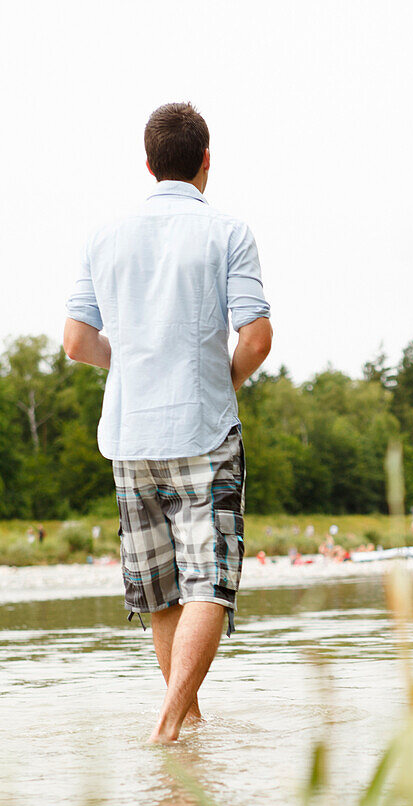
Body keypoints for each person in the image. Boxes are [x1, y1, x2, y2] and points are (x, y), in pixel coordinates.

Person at [63, 102, 272, 744]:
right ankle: (168, 726)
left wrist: (125, 366)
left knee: (162, 589)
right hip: (204, 431)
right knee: (209, 582)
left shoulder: (105, 235)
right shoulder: (228, 232)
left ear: (149, 164)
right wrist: (222, 381)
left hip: (130, 438)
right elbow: (257, 337)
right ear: (206, 160)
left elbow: (75, 340)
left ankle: (188, 727)